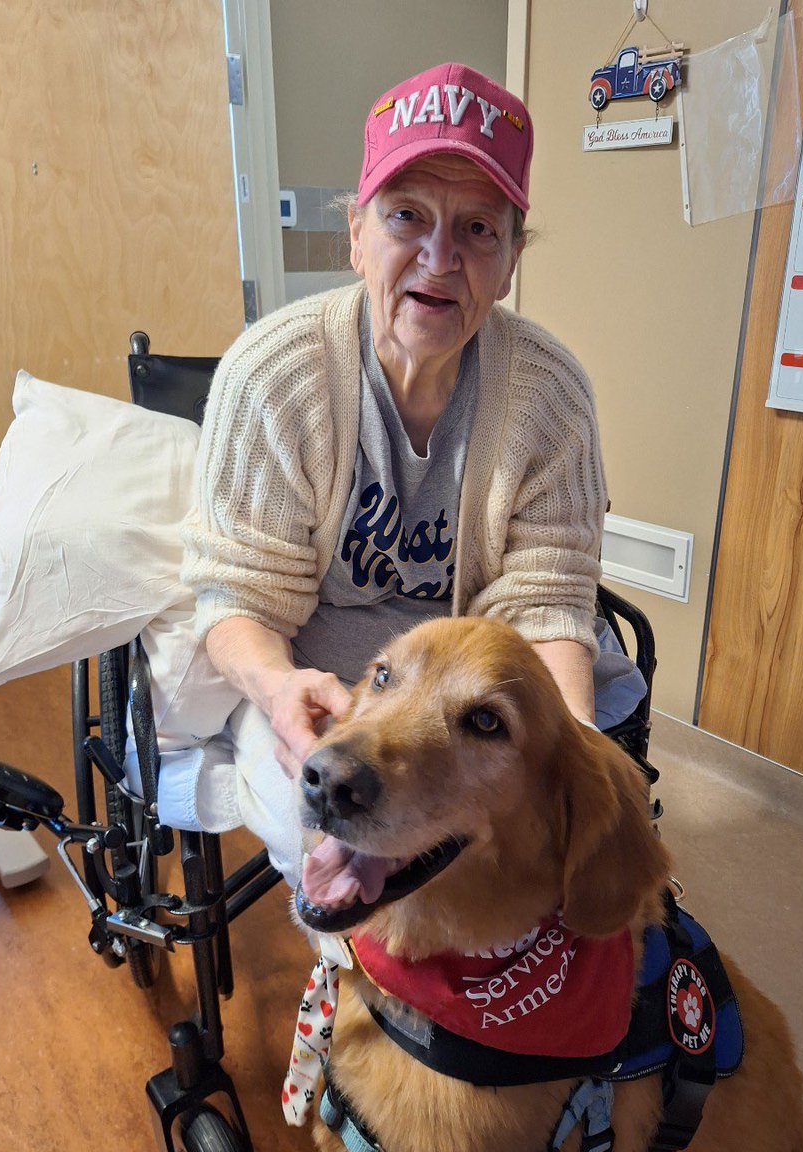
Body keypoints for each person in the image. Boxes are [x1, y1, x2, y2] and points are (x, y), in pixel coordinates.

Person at [180, 62, 629, 884]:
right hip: (327, 692)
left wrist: (571, 751)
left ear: (512, 257)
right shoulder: (274, 379)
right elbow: (240, 598)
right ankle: (358, 986)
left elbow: (546, 603)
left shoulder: (550, 399)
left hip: (472, 704)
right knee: (322, 834)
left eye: (478, 230)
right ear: (356, 234)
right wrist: (281, 691)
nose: (439, 257)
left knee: (551, 835)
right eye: (406, 217)